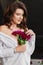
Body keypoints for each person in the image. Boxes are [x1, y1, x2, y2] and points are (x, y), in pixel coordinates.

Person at [0, 1, 36, 65]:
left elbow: (29, 52)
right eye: (18, 14)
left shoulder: (24, 29)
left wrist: (32, 37)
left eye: (22, 15)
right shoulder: (2, 29)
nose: (21, 17)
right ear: (10, 14)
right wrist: (15, 49)